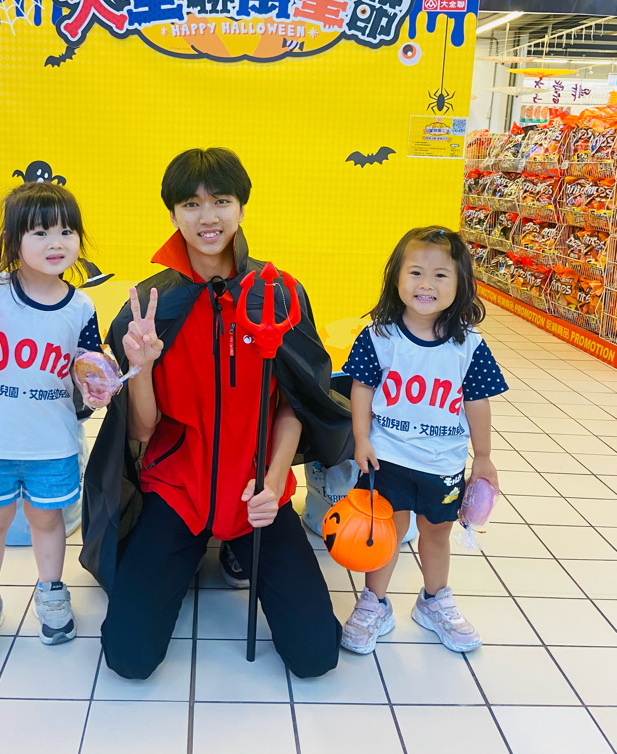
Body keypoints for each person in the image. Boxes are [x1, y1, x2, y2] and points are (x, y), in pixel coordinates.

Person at [81, 147, 353, 680]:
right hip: (176, 493)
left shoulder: (279, 293)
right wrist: (141, 367)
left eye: (221, 201)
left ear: (242, 208)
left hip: (255, 496)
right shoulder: (150, 304)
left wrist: (273, 482)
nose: (208, 217)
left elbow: (295, 403)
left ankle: (230, 546)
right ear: (173, 214)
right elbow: (141, 431)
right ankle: (193, 551)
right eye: (191, 204)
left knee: (316, 655)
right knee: (129, 658)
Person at [0, 182, 109, 660]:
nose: (56, 243)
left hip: (52, 443)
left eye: (66, 231)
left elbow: (88, 366)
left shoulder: (81, 306)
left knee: (48, 521)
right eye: (40, 232)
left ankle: (51, 592)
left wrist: (100, 382)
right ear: (12, 240)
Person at [340, 226, 507, 655]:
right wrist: (361, 438)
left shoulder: (469, 345)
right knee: (387, 532)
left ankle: (434, 601)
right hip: (387, 458)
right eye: (415, 272)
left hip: (442, 463)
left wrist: (483, 457)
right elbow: (361, 387)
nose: (426, 284)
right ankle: (374, 603)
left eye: (440, 275)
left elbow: (477, 402)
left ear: (460, 283)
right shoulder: (379, 336)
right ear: (396, 277)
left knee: (436, 533)